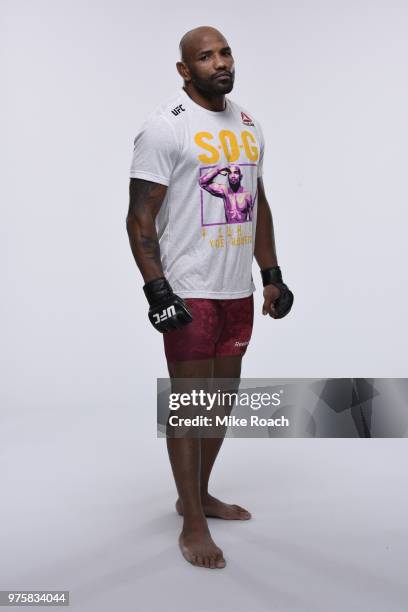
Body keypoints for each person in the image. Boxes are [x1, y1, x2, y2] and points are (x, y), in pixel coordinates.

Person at [126, 25, 293, 570]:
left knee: (220, 403)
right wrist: (157, 290)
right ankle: (193, 520)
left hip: (235, 289)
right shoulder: (164, 128)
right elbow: (140, 216)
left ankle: (195, 494)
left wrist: (271, 273)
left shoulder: (248, 124)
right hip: (190, 290)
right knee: (190, 405)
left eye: (224, 52)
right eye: (205, 56)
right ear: (184, 69)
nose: (218, 62)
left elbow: (257, 202)